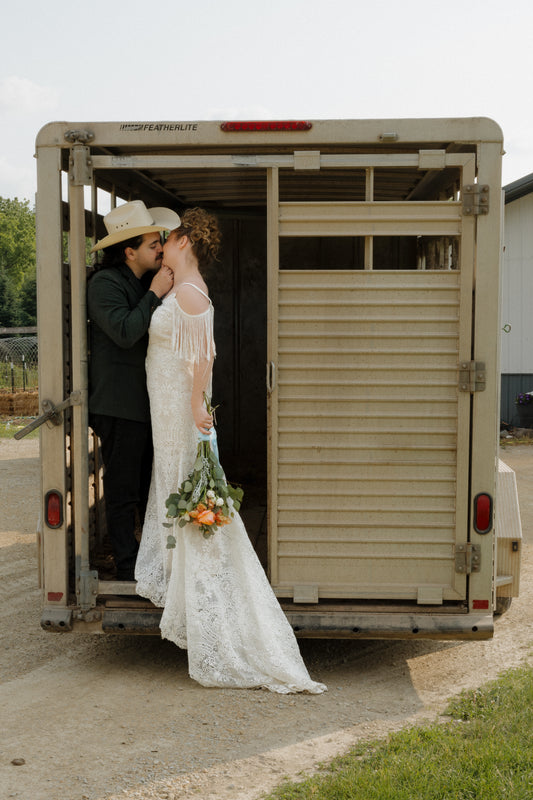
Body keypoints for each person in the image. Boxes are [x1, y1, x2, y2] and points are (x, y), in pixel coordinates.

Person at [135, 207, 326, 694]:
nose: (162, 246)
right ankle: (180, 574)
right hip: (166, 405)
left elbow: (204, 355)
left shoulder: (192, 293)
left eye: (167, 239)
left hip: (179, 409)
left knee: (186, 483)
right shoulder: (181, 287)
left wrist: (197, 406)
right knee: (174, 480)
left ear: (184, 242)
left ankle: (201, 587)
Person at [88, 200, 181, 580]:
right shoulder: (104, 284)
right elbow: (126, 333)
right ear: (129, 251)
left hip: (143, 404)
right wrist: (156, 293)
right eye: (153, 244)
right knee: (124, 488)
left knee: (144, 484)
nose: (160, 248)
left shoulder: (141, 281)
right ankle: (126, 566)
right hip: (118, 404)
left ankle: (145, 557)